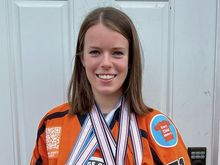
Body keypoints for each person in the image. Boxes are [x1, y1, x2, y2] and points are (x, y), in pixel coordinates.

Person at [30, 6, 191, 165]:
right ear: (82, 58)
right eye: (95, 52)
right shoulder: (53, 124)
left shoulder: (156, 128)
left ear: (130, 60)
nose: (106, 63)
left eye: (117, 53)